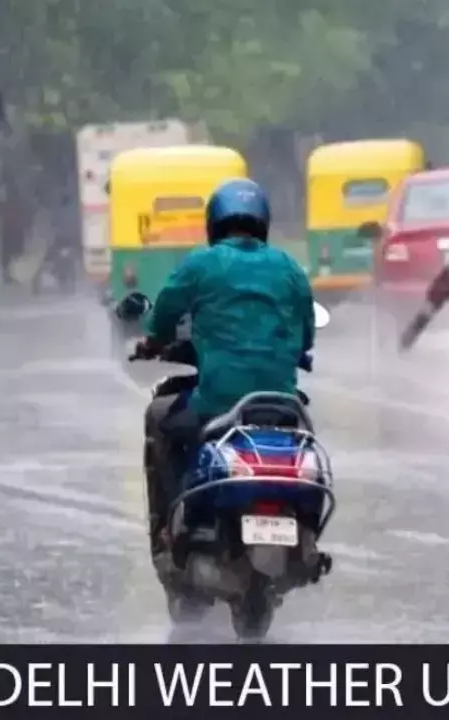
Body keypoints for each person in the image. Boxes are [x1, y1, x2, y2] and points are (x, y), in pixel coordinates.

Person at [134, 178, 316, 556]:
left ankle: (169, 526)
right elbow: (307, 334)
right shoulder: (289, 268)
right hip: (281, 404)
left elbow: (166, 308)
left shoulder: (202, 263)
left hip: (217, 401)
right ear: (263, 221)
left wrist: (152, 343)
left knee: (159, 416)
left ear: (213, 222)